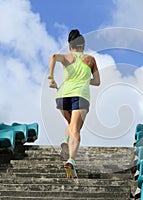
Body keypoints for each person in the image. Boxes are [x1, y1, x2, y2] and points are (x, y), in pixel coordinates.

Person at [48, 29, 100, 178]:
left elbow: (52, 56)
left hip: (62, 95)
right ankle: (71, 160)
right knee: (76, 129)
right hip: (81, 95)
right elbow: (97, 82)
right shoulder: (90, 60)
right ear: (83, 46)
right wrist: (85, 80)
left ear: (70, 46)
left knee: (71, 124)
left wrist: (51, 78)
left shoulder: (66, 57)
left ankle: (65, 140)